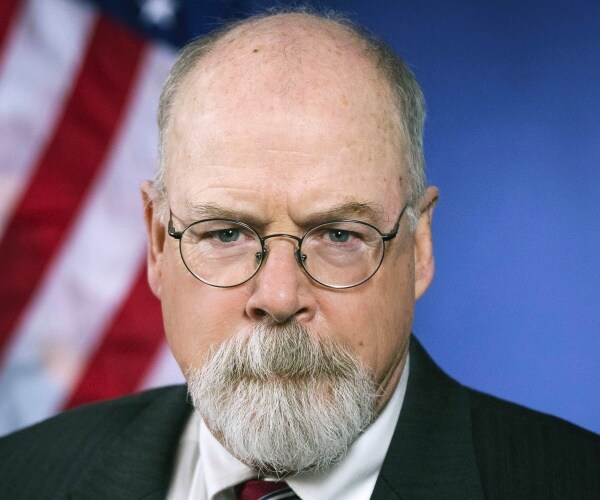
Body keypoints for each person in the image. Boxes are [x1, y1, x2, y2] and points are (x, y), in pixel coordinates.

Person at [0, 10, 598, 500]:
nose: (280, 297)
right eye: (226, 234)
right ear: (158, 244)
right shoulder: (22, 478)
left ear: (417, 248)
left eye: (338, 235)